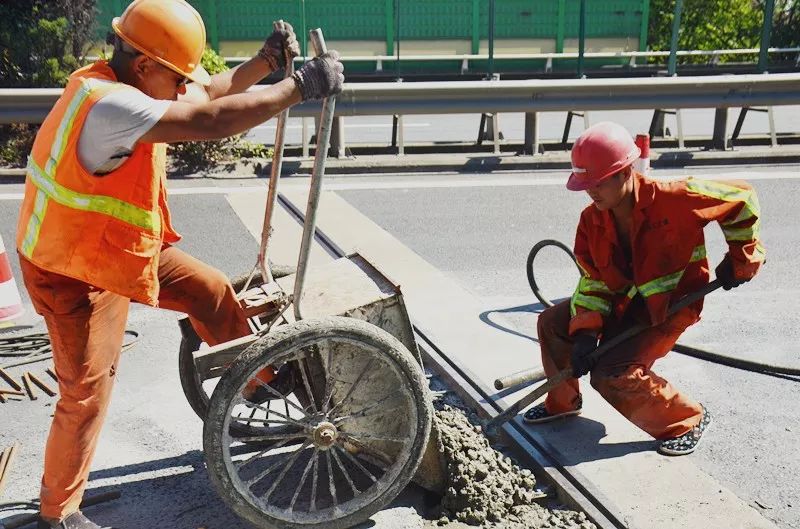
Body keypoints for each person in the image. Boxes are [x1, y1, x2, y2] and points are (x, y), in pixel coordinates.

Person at [15, 1, 344, 527]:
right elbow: (211, 118)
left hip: (116, 248)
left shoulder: (131, 82)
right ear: (145, 66)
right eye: (176, 75)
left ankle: (261, 382)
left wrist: (263, 63)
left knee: (208, 291)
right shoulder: (113, 107)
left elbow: (209, 91)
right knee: (86, 394)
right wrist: (300, 87)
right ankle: (59, 513)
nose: (183, 84)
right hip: (71, 271)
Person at [523, 122, 765, 457]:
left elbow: (742, 197)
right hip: (624, 303)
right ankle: (563, 401)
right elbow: (593, 280)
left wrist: (741, 257)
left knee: (611, 373)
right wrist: (584, 334)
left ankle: (687, 418)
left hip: (670, 306)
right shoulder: (592, 220)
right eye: (585, 184)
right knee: (552, 322)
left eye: (597, 183)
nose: (590, 191)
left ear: (624, 171)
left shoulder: (676, 198)